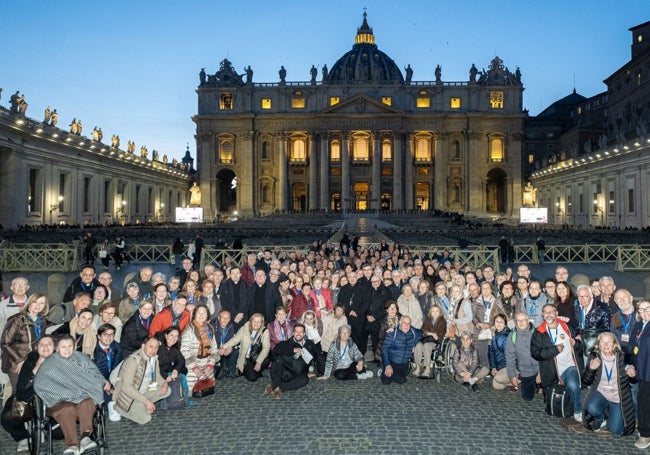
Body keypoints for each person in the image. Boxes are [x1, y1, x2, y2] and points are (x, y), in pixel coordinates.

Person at [34, 335, 108, 454]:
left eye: (70, 346)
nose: (67, 349)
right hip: (59, 400)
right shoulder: (49, 364)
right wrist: (68, 394)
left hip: (82, 395)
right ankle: (72, 444)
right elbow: (40, 384)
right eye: (64, 347)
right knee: (68, 409)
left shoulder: (81, 358)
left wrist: (95, 385)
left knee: (87, 402)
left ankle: (85, 437)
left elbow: (95, 374)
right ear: (57, 349)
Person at [1, 335, 54, 453]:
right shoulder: (31, 359)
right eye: (42, 344)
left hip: (52, 400)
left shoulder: (59, 359)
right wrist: (37, 367)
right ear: (36, 348)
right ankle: (22, 437)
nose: (45, 347)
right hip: (27, 397)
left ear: (54, 347)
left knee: (58, 433)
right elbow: (21, 387)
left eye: (49, 344)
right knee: (7, 417)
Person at [531, 304, 584, 422]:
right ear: (542, 315)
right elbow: (535, 353)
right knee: (553, 402)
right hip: (552, 370)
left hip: (569, 366)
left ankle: (578, 411)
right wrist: (554, 350)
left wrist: (576, 344)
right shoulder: (539, 332)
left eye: (551, 311)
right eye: (546, 312)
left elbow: (581, 347)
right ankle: (567, 406)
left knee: (573, 385)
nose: (549, 314)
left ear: (556, 313)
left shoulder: (567, 328)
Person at [580, 332, 635, 436]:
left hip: (617, 398)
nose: (605, 345)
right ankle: (601, 418)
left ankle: (610, 413)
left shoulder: (623, 358)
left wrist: (633, 375)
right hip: (601, 394)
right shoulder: (594, 357)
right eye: (602, 342)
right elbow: (586, 381)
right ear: (598, 345)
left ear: (614, 344)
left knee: (615, 430)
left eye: (609, 342)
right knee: (590, 406)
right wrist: (591, 369)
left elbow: (634, 380)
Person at [112, 336, 171, 425]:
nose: (153, 350)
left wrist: (164, 383)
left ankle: (142, 403)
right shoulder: (133, 361)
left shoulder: (154, 359)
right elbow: (126, 387)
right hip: (128, 396)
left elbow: (157, 376)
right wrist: (146, 401)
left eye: (156, 347)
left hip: (144, 390)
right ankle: (119, 408)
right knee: (145, 418)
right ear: (143, 346)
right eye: (150, 347)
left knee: (167, 390)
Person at [1, 293, 48, 389]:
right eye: (35, 302)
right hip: (15, 361)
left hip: (32, 360)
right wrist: (20, 360)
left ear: (44, 306)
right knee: (19, 392)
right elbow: (4, 343)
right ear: (29, 303)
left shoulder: (42, 320)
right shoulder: (17, 320)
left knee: (32, 390)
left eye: (41, 303)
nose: (38, 306)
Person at [265, 323, 315, 399]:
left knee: (305, 379)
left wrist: (312, 372)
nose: (298, 334)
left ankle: (279, 388)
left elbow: (315, 357)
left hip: (298, 372)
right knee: (277, 363)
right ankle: (275, 385)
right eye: (296, 332)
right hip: (285, 371)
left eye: (301, 332)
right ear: (293, 333)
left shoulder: (310, 344)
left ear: (304, 333)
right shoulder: (287, 343)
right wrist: (293, 350)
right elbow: (276, 350)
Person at [218, 313, 270, 382]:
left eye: (259, 322)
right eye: (254, 321)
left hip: (257, 356)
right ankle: (249, 371)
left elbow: (266, 348)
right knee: (252, 378)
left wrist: (259, 362)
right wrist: (224, 347)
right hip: (247, 359)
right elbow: (235, 340)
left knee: (267, 359)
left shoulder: (265, 331)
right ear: (251, 321)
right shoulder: (244, 328)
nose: (256, 324)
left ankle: (256, 369)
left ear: (262, 323)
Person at [180, 304, 218, 394]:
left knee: (208, 389)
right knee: (190, 392)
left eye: (204, 313)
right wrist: (195, 369)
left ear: (207, 315)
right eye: (199, 313)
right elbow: (184, 351)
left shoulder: (210, 328)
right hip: (193, 365)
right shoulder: (189, 330)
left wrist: (210, 366)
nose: (201, 315)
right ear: (195, 315)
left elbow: (214, 349)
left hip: (207, 364)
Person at [505, 312, 540, 401]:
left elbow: (544, 355)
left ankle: (540, 385)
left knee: (547, 390)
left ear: (528, 321)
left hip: (539, 368)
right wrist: (512, 376)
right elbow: (510, 357)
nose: (521, 322)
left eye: (523, 320)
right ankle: (531, 384)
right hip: (525, 371)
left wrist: (541, 373)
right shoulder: (512, 336)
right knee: (527, 398)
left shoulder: (537, 333)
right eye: (518, 320)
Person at [93, 324, 123, 422]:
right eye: (105, 334)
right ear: (99, 336)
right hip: (98, 377)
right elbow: (94, 370)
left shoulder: (116, 347)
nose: (109, 337)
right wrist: (104, 382)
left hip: (111, 377)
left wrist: (112, 384)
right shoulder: (94, 350)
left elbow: (117, 367)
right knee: (104, 393)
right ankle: (111, 406)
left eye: (111, 334)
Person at [631, 300, 650, 449]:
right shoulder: (638, 326)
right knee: (643, 402)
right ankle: (645, 432)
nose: (645, 312)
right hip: (642, 371)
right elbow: (632, 348)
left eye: (648, 308)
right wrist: (629, 365)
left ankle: (645, 434)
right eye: (641, 310)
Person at [412, 306, 446, 378]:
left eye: (437, 311)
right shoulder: (427, 320)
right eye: (433, 311)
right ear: (430, 312)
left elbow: (441, 332)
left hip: (435, 342)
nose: (435, 313)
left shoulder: (442, 321)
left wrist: (435, 335)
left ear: (440, 313)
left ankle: (427, 369)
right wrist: (430, 333)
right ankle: (417, 368)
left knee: (427, 346)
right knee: (418, 345)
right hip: (426, 339)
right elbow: (422, 331)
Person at [488, 314, 512, 390]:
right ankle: (510, 382)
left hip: (509, 366)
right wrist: (493, 367)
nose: (498, 324)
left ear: (505, 325)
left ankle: (517, 380)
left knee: (497, 378)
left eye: (501, 322)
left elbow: (504, 352)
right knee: (497, 385)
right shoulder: (496, 333)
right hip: (499, 366)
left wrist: (493, 337)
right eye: (497, 321)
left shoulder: (507, 335)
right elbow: (491, 353)